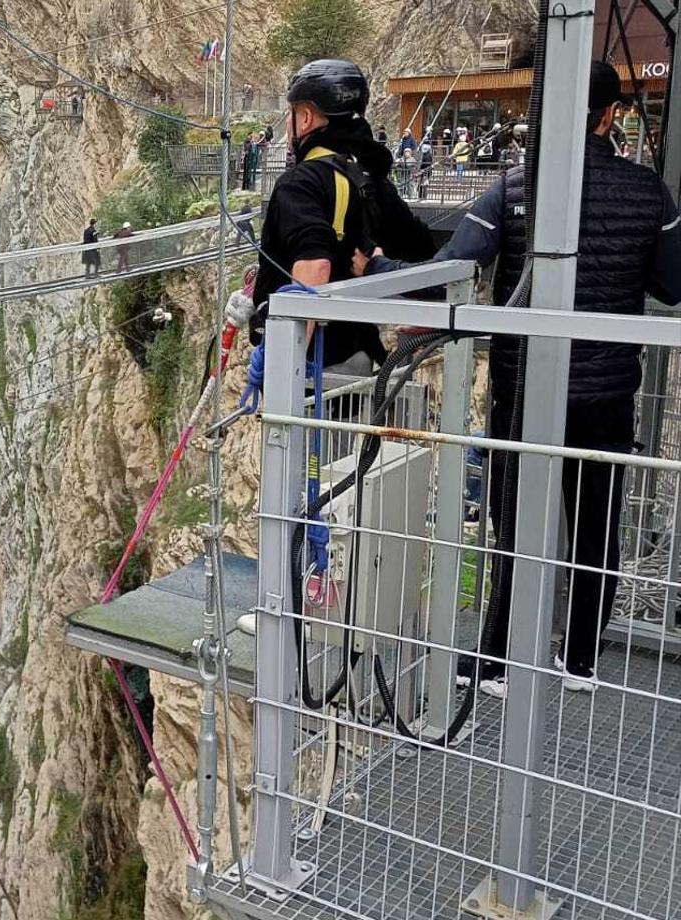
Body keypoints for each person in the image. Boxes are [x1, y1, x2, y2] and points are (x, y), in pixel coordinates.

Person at [354, 61, 681, 695]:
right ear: (609, 116)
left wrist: (377, 266)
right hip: (606, 397)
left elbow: (452, 269)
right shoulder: (649, 193)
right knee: (595, 525)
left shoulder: (512, 188)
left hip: (524, 387)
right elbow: (673, 282)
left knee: (512, 524)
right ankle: (580, 659)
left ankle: (498, 659)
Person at [251, 59, 435, 374]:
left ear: (305, 117)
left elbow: (315, 267)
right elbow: (428, 257)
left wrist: (285, 374)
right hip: (361, 356)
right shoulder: (373, 183)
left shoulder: (299, 184)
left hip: (316, 369)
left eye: (292, 114)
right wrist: (377, 267)